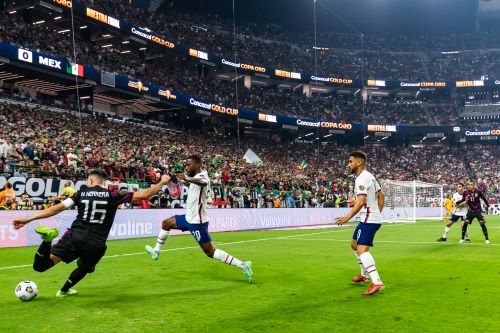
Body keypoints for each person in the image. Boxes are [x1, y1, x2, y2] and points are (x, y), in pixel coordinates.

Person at [12, 169, 169, 297]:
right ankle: (63, 291)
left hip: (74, 237)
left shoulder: (81, 193)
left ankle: (47, 241)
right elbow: (146, 194)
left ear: (91, 181)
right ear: (104, 182)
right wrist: (162, 181)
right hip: (95, 244)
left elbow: (56, 208)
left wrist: (29, 218)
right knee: (85, 268)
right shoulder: (113, 194)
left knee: (40, 266)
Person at [145, 155, 253, 283]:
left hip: (197, 222)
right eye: (186, 165)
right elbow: (190, 182)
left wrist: (187, 178)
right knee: (166, 223)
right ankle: (156, 251)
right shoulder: (193, 177)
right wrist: (179, 178)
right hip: (188, 218)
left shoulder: (203, 176)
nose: (187, 167)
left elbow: (203, 182)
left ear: (197, 164)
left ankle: (243, 265)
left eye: (189, 164)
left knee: (210, 252)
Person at [335, 151, 385, 295]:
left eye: (350, 161)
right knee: (354, 244)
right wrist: (377, 212)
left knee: (362, 251)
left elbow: (361, 201)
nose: (348, 164)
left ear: (359, 162)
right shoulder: (370, 176)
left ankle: (377, 282)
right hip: (369, 218)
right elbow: (381, 195)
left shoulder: (362, 178)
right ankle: (364, 275)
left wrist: (346, 218)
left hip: (369, 219)